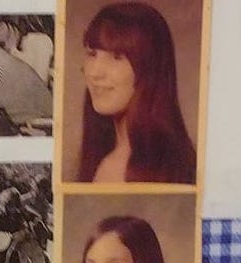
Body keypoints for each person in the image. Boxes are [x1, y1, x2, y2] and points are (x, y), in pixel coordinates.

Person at [77, 2, 197, 185]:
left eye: (117, 57)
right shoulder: (105, 157)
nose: (94, 73)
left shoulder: (153, 169)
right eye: (92, 54)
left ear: (150, 69)